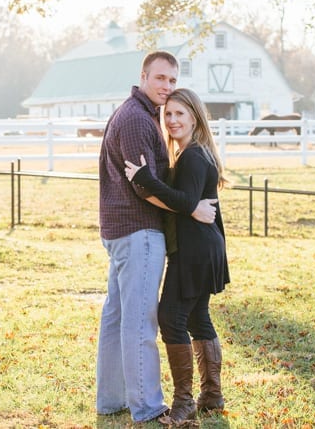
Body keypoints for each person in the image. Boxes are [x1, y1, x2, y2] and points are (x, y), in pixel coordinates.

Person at [96, 51, 218, 424]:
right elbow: (143, 188)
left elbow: (149, 180)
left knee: (118, 318)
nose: (166, 87)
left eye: (172, 81)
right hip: (138, 230)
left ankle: (111, 399)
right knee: (139, 321)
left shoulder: (141, 116)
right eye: (160, 79)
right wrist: (191, 208)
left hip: (126, 231)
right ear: (144, 76)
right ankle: (147, 406)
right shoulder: (136, 120)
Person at [124, 88, 230, 426]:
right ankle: (212, 395)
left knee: (171, 317)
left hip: (195, 250)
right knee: (197, 317)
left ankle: (184, 404)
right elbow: (189, 203)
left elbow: (185, 199)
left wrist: (146, 181)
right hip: (205, 246)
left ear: (195, 117)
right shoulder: (194, 154)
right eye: (167, 115)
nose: (171, 121)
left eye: (179, 114)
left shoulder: (194, 157)